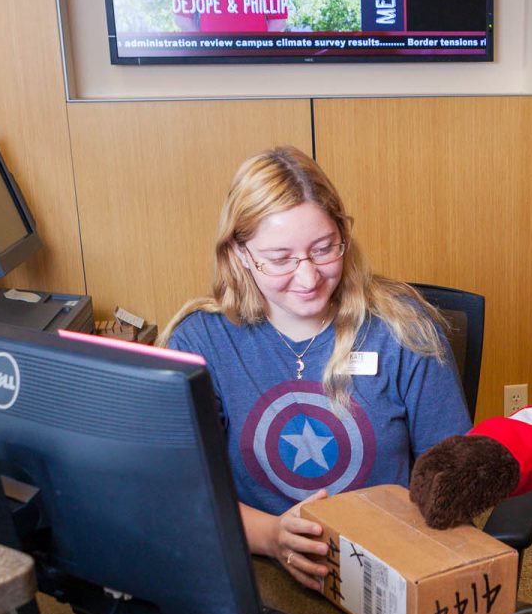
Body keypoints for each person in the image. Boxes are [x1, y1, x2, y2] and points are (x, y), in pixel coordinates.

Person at [161, 146, 471, 591]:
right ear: (241, 253)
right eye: (281, 258)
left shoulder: (403, 330)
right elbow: (180, 490)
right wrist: (271, 537)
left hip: (387, 570)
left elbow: (451, 476)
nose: (307, 278)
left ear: (343, 235)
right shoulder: (200, 341)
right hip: (254, 567)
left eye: (324, 250)